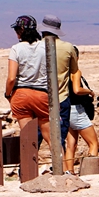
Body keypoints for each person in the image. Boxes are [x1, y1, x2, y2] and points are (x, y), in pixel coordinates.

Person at [5, 15, 51, 145]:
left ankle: (27, 166)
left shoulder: (16, 49)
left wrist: (8, 94)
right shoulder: (45, 47)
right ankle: (63, 165)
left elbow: (11, 78)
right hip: (42, 94)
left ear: (21, 30)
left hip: (21, 94)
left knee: (28, 138)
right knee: (51, 138)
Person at [41, 15, 79, 148]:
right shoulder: (68, 48)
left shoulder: (36, 47)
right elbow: (75, 70)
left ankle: (27, 168)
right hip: (61, 98)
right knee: (59, 139)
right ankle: (57, 167)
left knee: (35, 138)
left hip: (40, 99)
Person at [64, 47, 98, 175]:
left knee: (71, 144)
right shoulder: (75, 72)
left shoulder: (61, 72)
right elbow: (77, 90)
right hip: (76, 110)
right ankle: (91, 173)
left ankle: (69, 172)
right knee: (93, 143)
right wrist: (89, 91)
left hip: (65, 110)